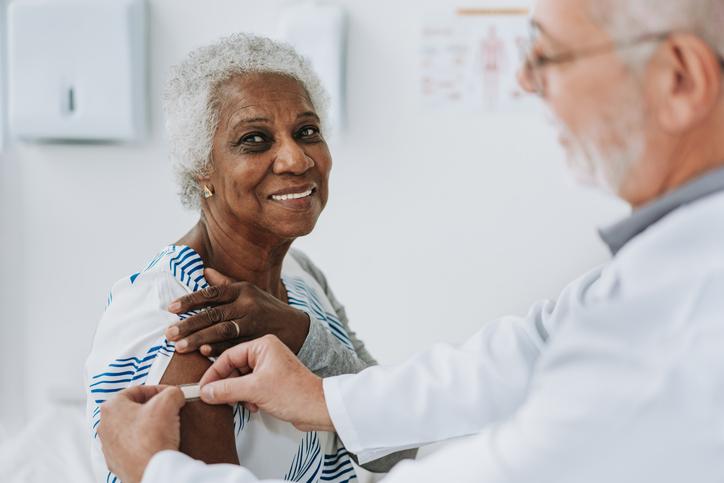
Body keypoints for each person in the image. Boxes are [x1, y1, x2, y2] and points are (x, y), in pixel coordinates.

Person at [99, 0, 724, 481]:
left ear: (679, 80)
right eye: (255, 140)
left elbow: (406, 455)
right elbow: (524, 350)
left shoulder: (673, 321)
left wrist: (160, 470)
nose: (528, 83)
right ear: (198, 172)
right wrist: (323, 394)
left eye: (552, 57)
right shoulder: (166, 311)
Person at [85, 33, 412, 483]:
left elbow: (396, 447)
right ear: (203, 169)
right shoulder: (181, 322)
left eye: (307, 132)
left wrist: (300, 334)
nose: (296, 159)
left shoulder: (300, 278)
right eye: (255, 140)